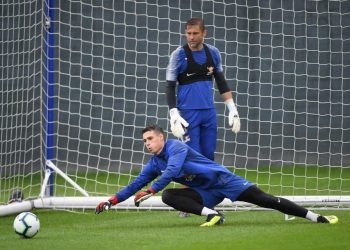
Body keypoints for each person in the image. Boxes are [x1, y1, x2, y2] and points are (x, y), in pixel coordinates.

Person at [95, 125, 339, 226]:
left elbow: (171, 172)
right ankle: (213, 215)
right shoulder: (153, 163)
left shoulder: (175, 148)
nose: (147, 144)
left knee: (266, 200)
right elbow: (136, 183)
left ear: (161, 137)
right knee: (170, 196)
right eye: (144, 141)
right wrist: (111, 200)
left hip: (224, 181)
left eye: (150, 139)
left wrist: (151, 190)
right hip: (205, 193)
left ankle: (317, 217)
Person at [166, 17, 240, 161]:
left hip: (208, 112)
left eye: (195, 33)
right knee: (192, 159)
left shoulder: (213, 53)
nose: (191, 37)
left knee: (209, 157)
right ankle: (189, 185)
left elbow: (221, 82)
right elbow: (169, 86)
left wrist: (233, 109)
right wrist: (174, 114)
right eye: (188, 33)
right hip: (188, 114)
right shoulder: (179, 55)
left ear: (204, 33)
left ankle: (208, 184)